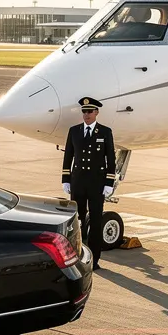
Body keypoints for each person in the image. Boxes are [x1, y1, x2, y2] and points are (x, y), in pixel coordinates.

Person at [62, 96, 117, 270]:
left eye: (90, 111)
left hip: (96, 184)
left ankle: (94, 258)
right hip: (78, 183)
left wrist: (109, 182)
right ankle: (76, 255)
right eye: (84, 111)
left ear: (96, 112)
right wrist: (66, 179)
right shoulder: (74, 131)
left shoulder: (105, 132)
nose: (87, 115)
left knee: (95, 221)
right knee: (76, 221)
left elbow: (111, 159)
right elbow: (68, 156)